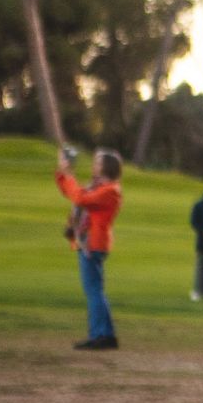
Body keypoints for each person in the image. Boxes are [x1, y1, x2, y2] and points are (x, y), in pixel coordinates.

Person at [57, 146, 125, 350]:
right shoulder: (98, 187)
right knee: (96, 290)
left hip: (93, 244)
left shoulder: (109, 191)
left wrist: (68, 176)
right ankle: (107, 335)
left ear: (106, 168)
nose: (93, 166)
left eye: (97, 163)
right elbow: (72, 192)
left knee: (93, 291)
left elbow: (80, 198)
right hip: (90, 242)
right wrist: (64, 172)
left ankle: (99, 335)